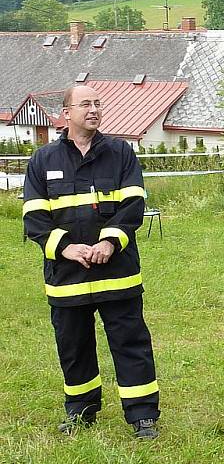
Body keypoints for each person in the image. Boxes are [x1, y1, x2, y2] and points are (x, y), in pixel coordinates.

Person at [22, 85, 160, 439]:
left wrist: (110, 241)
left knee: (131, 343)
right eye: (86, 104)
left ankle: (143, 415)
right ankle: (81, 411)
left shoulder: (121, 153)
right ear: (66, 112)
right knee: (73, 347)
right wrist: (65, 247)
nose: (94, 110)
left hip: (117, 274)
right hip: (67, 275)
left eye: (98, 104)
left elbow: (134, 204)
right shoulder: (43, 160)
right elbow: (34, 216)